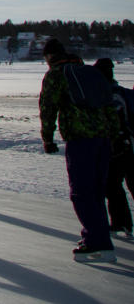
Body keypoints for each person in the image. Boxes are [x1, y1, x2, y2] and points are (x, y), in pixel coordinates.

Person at [40, 38, 119, 261]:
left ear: (48, 57)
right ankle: (99, 237)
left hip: (80, 139)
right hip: (103, 139)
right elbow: (109, 105)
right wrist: (113, 137)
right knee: (96, 191)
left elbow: (47, 108)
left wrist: (47, 138)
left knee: (82, 193)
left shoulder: (56, 75)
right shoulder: (88, 72)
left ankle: (98, 243)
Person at [95, 58, 134, 240]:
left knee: (112, 185)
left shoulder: (104, 95)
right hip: (130, 144)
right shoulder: (124, 93)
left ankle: (121, 222)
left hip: (116, 146)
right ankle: (123, 223)